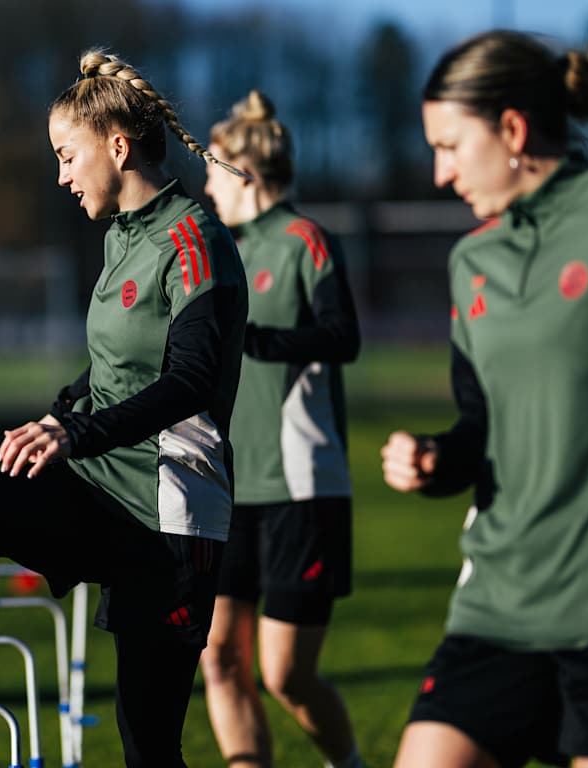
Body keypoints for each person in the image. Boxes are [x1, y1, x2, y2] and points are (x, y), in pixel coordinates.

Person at [0, 47, 249, 768]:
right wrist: (61, 409)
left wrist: (76, 430)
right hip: (98, 484)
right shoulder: (120, 237)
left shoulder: (195, 241)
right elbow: (117, 360)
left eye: (66, 155)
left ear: (118, 147)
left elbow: (189, 381)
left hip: (170, 510)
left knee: (148, 749)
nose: (61, 176)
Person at [380, 29, 588, 768]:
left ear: (511, 130)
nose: (439, 173)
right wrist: (439, 458)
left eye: (449, 146)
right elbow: (482, 422)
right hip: (498, 605)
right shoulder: (472, 260)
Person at [196, 90, 364, 768]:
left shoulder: (305, 240)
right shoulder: (218, 253)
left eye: (213, 171)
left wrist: (254, 340)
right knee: (218, 662)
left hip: (302, 487)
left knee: (285, 674)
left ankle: (348, 762)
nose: (206, 185)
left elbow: (343, 336)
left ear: (245, 172)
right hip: (229, 489)